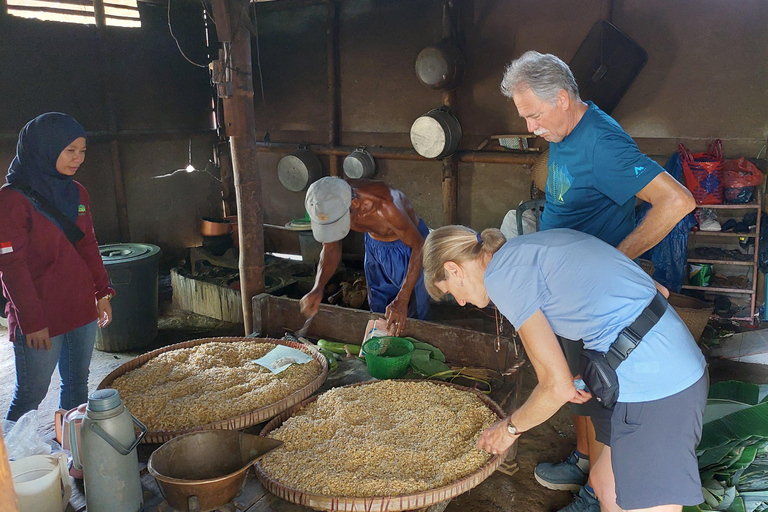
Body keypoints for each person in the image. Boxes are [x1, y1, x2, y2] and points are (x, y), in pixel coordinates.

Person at [500, 51, 696, 510]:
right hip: (572, 293)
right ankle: (584, 459)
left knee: (604, 392)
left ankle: (597, 490)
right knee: (578, 383)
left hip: (597, 299)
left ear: (563, 98)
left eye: (533, 115)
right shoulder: (565, 130)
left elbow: (676, 201)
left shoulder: (602, 143)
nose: (530, 127)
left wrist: (618, 259)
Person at [423, 225, 707, 512]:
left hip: (658, 385)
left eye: (450, 292)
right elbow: (659, 291)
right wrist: (606, 365)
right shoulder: (527, 248)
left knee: (636, 502)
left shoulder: (501, 277)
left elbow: (555, 387)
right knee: (604, 484)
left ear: (454, 269)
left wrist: (508, 430)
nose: (460, 302)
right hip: (662, 358)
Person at [0, 112, 114, 421]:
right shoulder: (12, 201)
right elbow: (12, 268)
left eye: (83, 151)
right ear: (45, 149)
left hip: (80, 308)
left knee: (77, 387)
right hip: (41, 315)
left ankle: (72, 457)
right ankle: (14, 465)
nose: (78, 159)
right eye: (70, 150)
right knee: (30, 395)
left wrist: (102, 291)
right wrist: (33, 322)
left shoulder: (76, 192)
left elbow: (88, 244)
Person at [300, 177, 429, 336]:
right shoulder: (331, 199)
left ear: (355, 205)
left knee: (409, 311)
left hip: (408, 248)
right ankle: (380, 346)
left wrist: (402, 299)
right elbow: (330, 248)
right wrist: (318, 287)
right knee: (378, 306)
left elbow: (419, 247)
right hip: (374, 247)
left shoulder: (386, 206)